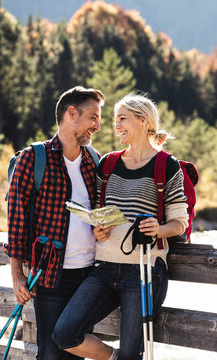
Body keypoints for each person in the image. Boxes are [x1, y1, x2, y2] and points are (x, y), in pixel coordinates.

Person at [51, 94, 189, 360]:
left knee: (132, 353)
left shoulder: (165, 165)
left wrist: (157, 229)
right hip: (103, 268)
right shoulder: (109, 163)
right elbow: (101, 211)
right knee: (65, 333)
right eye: (115, 120)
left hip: (144, 271)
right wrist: (98, 229)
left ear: (143, 120)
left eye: (122, 119)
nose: (116, 126)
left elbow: (179, 223)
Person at [5, 86, 105, 360]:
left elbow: (97, 214)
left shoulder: (94, 161)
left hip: (90, 276)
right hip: (50, 278)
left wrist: (101, 228)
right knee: (50, 354)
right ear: (71, 113)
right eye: (93, 117)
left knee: (76, 351)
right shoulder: (33, 158)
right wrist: (17, 274)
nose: (97, 126)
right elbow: (16, 218)